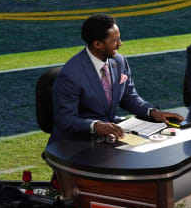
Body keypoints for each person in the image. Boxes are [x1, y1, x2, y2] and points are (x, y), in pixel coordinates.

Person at [51, 13, 182, 141]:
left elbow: (130, 97)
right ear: (97, 44)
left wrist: (153, 112)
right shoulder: (70, 74)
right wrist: (95, 126)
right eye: (114, 40)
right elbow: (65, 118)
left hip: (111, 134)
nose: (120, 44)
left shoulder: (119, 61)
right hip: (77, 141)